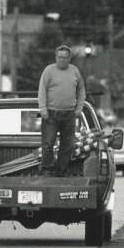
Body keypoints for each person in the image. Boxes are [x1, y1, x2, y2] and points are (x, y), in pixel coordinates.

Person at [38, 44, 86, 176]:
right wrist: (43, 109)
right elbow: (42, 90)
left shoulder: (75, 71)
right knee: (48, 144)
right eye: (59, 57)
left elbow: (81, 90)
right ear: (56, 57)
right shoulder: (49, 71)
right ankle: (47, 169)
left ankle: (61, 171)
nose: (62, 60)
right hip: (51, 114)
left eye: (65, 58)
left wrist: (79, 108)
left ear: (69, 58)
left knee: (68, 145)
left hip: (69, 114)